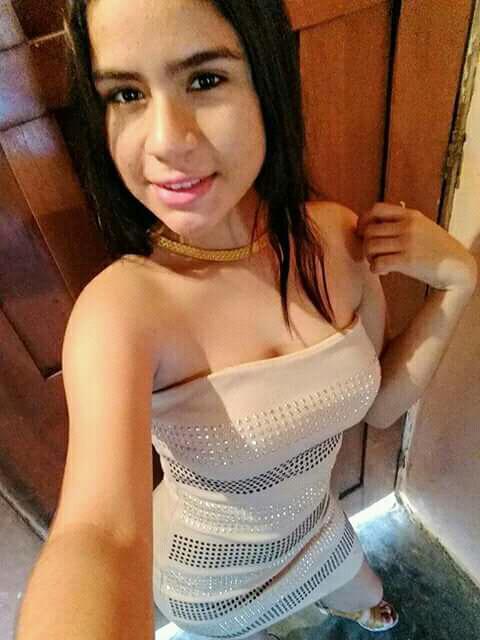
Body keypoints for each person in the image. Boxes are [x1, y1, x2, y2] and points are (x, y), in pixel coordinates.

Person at [16, 1, 478, 639]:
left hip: (319, 527)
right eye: (126, 93)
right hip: (211, 581)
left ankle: (350, 603)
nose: (164, 141)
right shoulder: (122, 313)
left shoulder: (336, 236)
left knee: (368, 595)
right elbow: (99, 533)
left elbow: (382, 406)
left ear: (266, 80)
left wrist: (457, 282)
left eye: (205, 79)